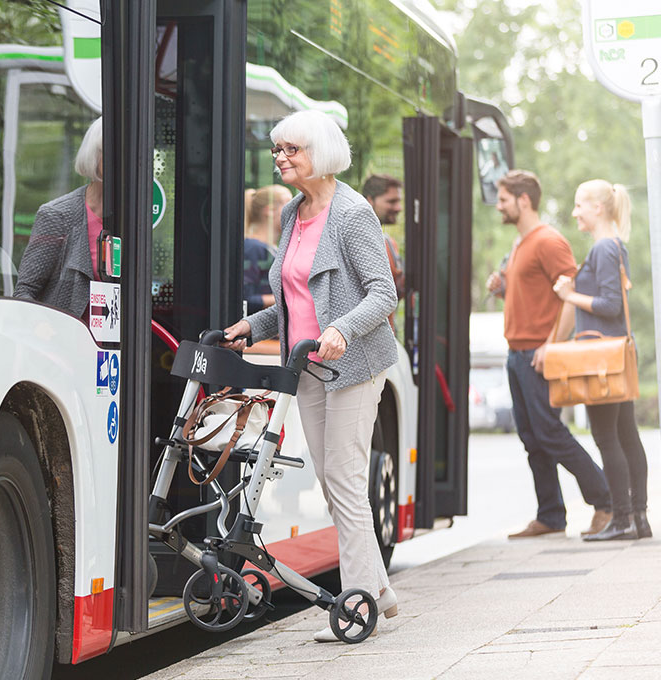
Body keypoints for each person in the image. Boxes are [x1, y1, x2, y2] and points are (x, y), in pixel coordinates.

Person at [222, 110, 399, 641]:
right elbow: (293, 299)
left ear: (317, 152)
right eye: (277, 150)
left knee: (344, 482)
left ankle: (359, 605)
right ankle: (379, 592)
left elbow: (382, 293)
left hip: (353, 367)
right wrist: (252, 326)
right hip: (307, 367)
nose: (280, 158)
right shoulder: (294, 213)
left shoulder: (351, 214)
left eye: (290, 150)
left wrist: (343, 329)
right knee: (332, 482)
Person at [486, 170, 612, 539]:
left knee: (550, 433)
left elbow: (570, 298)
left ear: (524, 201)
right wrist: (502, 289)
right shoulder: (520, 243)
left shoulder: (549, 241)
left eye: (504, 199)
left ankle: (608, 501)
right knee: (531, 436)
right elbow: (531, 296)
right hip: (517, 353)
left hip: (539, 354)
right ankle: (552, 515)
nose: (499, 206)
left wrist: (553, 345)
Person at [553, 180, 651, 541]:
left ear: (598, 208)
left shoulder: (604, 249)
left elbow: (609, 305)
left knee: (608, 437)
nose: (575, 212)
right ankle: (637, 518)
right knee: (626, 435)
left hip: (602, 359)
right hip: (614, 355)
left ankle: (623, 519)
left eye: (580, 205)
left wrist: (569, 294)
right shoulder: (613, 247)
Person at [14, 116, 103, 316]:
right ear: (95, 157)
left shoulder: (131, 221)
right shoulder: (57, 215)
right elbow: (24, 291)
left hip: (115, 344)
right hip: (63, 341)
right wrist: (44, 327)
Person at [243, 184, 292, 314]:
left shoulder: (274, 248)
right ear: (269, 210)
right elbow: (245, 299)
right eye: (288, 203)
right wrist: (291, 298)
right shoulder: (252, 248)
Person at [362, 174, 405, 301]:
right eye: (391, 201)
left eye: (399, 201)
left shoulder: (390, 243)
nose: (399, 208)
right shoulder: (356, 242)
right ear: (370, 200)